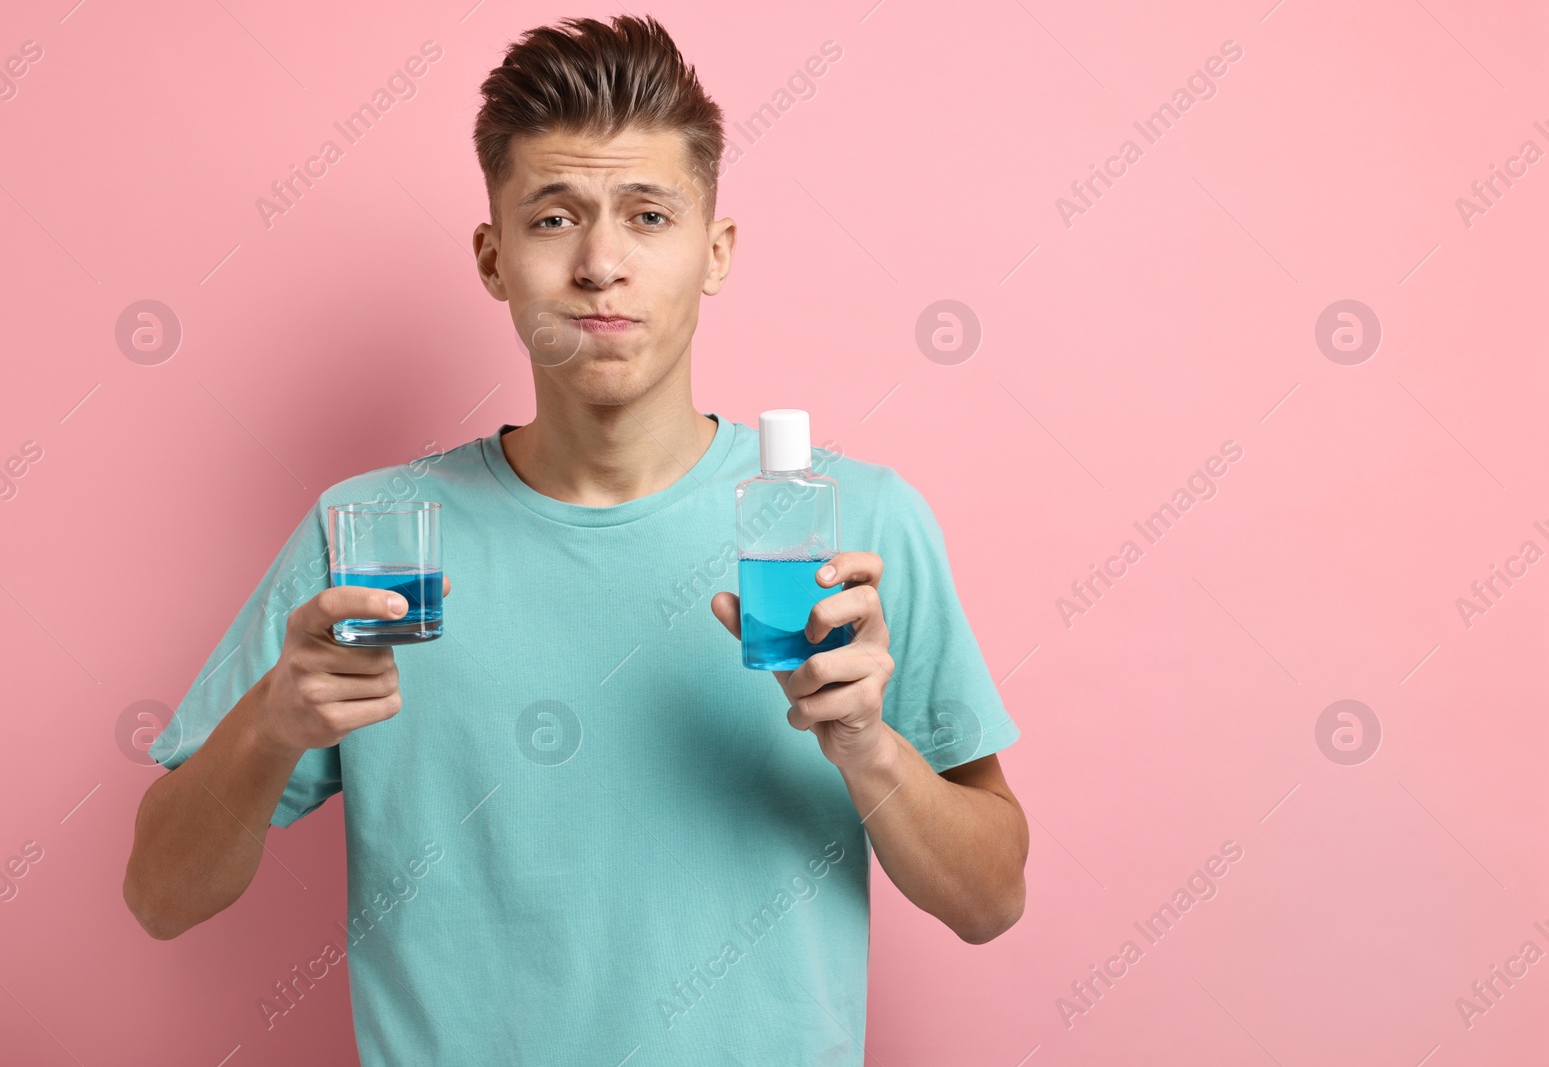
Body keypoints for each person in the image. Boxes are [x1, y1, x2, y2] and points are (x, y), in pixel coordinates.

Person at [123, 14, 1028, 1065]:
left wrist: (867, 744)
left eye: (648, 215)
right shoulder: (371, 539)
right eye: (553, 219)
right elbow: (158, 896)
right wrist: (271, 723)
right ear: (493, 257)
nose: (602, 264)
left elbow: (989, 899)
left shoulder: (846, 531)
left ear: (715, 249)